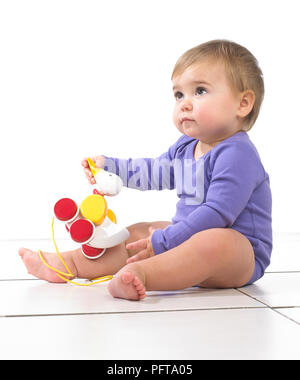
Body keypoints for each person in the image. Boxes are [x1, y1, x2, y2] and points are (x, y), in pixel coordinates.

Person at [19, 39, 272, 301]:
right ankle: (71, 264)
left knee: (216, 241)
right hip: (188, 234)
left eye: (199, 91)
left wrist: (168, 239)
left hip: (241, 254)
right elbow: (155, 172)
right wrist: (113, 167)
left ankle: (142, 274)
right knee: (141, 231)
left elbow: (217, 213)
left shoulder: (238, 154)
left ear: (243, 104)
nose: (184, 103)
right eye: (178, 95)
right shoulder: (187, 146)